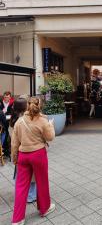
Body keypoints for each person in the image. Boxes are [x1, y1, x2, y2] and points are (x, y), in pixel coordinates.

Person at [11, 97, 55, 225]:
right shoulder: (42, 120)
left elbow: (14, 143)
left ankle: (18, 219)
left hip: (23, 155)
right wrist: (50, 125)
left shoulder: (19, 121)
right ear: (40, 106)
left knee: (20, 187)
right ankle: (44, 208)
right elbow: (50, 137)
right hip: (38, 154)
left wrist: (15, 158)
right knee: (42, 182)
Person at [10, 97, 37, 204]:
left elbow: (13, 142)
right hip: (28, 150)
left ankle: (21, 194)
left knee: (20, 174)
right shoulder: (25, 119)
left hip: (19, 150)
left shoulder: (13, 119)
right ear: (24, 106)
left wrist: (14, 156)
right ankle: (31, 195)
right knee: (31, 175)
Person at [0, 91, 14, 157]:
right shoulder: (0, 103)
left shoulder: (12, 104)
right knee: (4, 134)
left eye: (7, 97)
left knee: (8, 135)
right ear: (3, 97)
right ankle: (3, 149)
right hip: (2, 123)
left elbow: (12, 113)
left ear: (10, 97)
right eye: (5, 97)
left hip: (9, 121)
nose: (6, 99)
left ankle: (7, 150)